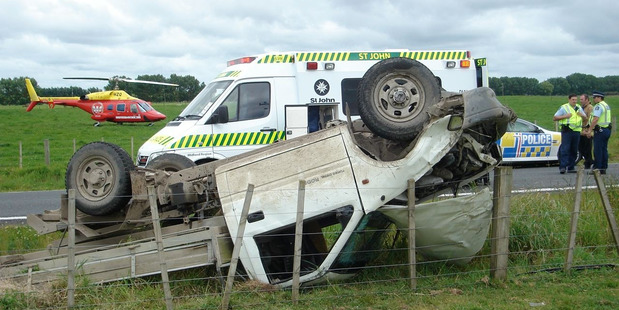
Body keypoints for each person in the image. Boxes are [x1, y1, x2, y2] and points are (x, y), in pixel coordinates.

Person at [553, 94, 586, 174]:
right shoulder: (564, 107)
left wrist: (582, 116)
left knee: (574, 150)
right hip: (567, 131)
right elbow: (555, 117)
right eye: (573, 100)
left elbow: (585, 118)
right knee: (565, 149)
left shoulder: (578, 107)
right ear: (569, 100)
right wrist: (565, 116)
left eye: (575, 100)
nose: (574, 101)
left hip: (576, 131)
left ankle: (571, 167)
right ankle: (563, 167)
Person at [586, 91, 612, 175]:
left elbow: (595, 119)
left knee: (598, 150)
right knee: (604, 149)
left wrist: (590, 130)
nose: (593, 99)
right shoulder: (606, 105)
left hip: (600, 130)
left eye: (595, 97)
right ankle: (603, 167)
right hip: (607, 130)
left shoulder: (598, 106)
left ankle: (597, 168)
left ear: (599, 98)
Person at [576, 94, 593, 168]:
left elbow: (590, 119)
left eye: (582, 99)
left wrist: (588, 131)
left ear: (587, 100)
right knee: (581, 148)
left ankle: (589, 162)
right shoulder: (581, 108)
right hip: (581, 130)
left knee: (587, 148)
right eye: (580, 99)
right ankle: (588, 161)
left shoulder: (590, 108)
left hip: (586, 130)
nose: (580, 101)